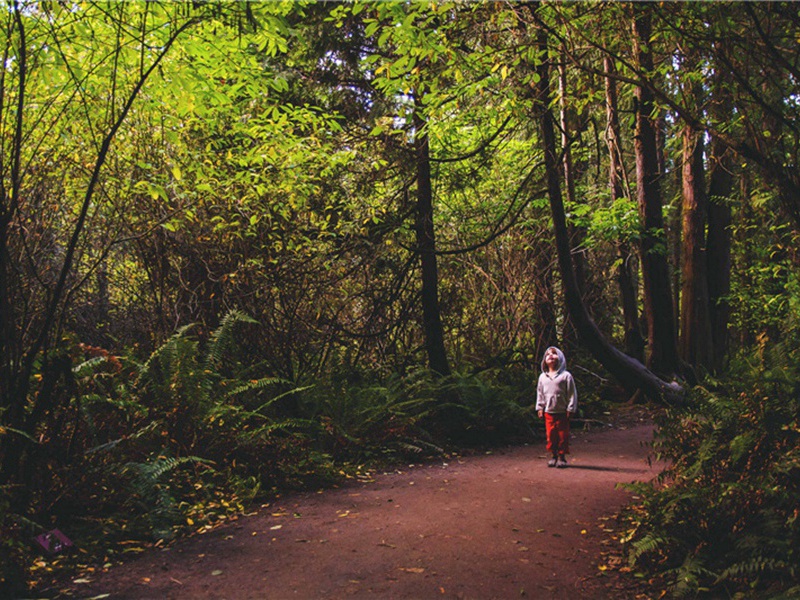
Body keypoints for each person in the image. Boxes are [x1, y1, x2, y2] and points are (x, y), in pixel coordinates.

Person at [535, 346, 578, 468]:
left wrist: (571, 408)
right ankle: (553, 456)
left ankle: (562, 457)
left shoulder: (566, 376)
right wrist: (539, 407)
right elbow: (540, 393)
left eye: (554, 353)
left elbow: (571, 393)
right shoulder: (543, 377)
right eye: (548, 354)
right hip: (549, 412)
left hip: (562, 412)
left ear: (561, 358)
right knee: (551, 435)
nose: (551, 356)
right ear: (544, 360)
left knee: (562, 435)